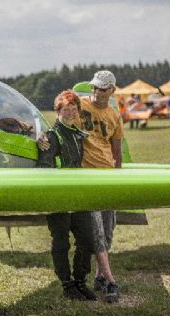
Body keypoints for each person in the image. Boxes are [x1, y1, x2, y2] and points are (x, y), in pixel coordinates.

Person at [39, 70, 124, 303]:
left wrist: (118, 178)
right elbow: (55, 129)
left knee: (97, 236)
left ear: (112, 91)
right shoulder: (65, 121)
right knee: (77, 237)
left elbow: (117, 151)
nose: (96, 92)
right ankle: (90, 282)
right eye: (94, 87)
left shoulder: (103, 122)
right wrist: (37, 135)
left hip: (95, 185)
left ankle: (88, 279)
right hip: (73, 189)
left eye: (102, 88)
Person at [37, 89, 97, 301]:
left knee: (88, 240)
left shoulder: (77, 134)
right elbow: (44, 167)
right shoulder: (51, 137)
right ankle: (67, 284)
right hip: (59, 198)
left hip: (78, 197)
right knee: (61, 242)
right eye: (66, 109)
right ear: (58, 111)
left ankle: (80, 281)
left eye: (74, 109)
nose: (71, 113)